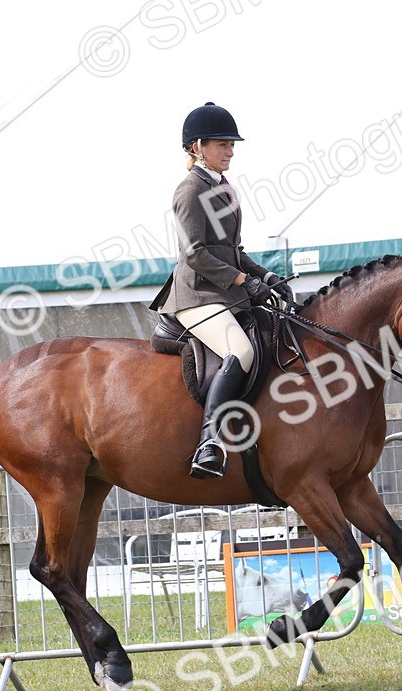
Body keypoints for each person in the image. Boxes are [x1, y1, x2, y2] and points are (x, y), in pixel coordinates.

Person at [149, 102, 293, 479]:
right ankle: (210, 442)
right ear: (197, 146)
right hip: (195, 295)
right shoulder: (190, 190)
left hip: (225, 293)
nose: (231, 151)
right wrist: (245, 282)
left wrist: (267, 276)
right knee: (241, 350)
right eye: (223, 144)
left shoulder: (224, 188)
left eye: (232, 145)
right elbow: (195, 254)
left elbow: (234, 251)